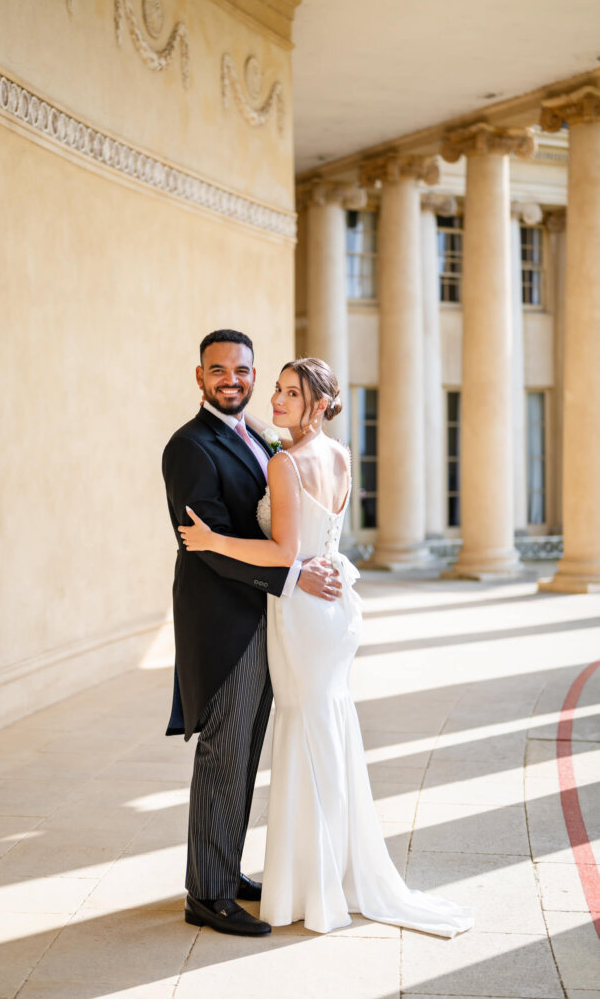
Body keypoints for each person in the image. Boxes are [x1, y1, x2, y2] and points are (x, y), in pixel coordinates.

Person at [179, 356, 474, 937]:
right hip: (335, 611)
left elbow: (285, 551)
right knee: (328, 729)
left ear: (318, 404)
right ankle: (331, 869)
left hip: (301, 614)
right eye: (280, 390)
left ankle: (308, 885)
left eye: (292, 393)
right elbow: (326, 539)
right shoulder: (339, 454)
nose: (278, 401)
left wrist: (213, 539)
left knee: (304, 733)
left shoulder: (285, 461)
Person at [162, 330, 342, 939]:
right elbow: (206, 546)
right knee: (224, 755)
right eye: (219, 371)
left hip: (265, 619)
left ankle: (226, 869)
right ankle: (206, 895)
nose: (232, 380)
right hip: (224, 624)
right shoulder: (190, 446)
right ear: (200, 376)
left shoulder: (261, 437)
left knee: (242, 757)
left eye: (242, 370)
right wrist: (295, 574)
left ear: (252, 373)